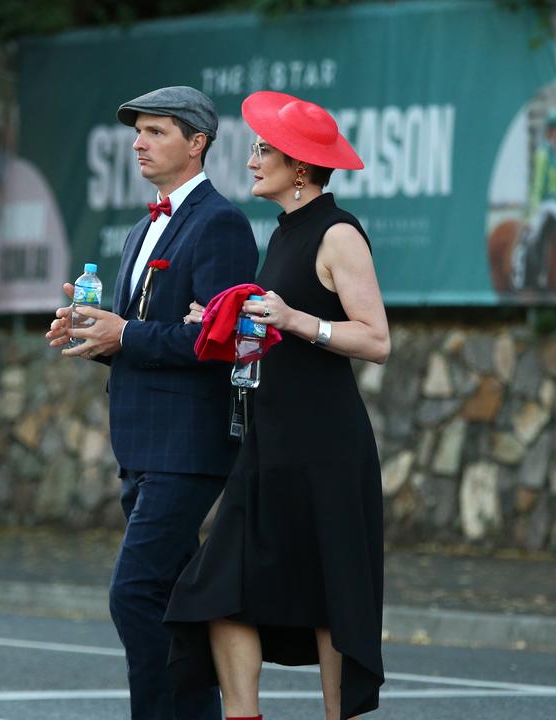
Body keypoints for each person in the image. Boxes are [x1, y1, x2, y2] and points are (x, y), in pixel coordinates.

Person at [166, 91, 391, 720]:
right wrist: (227, 320)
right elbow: (278, 330)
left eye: (266, 149)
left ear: (301, 168)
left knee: (331, 600)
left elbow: (376, 339)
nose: (254, 158)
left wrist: (298, 321)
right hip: (270, 445)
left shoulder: (338, 231)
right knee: (218, 588)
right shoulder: (287, 231)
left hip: (325, 447)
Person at [46, 86, 259, 720]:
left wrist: (126, 333)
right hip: (142, 440)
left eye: (157, 131)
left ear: (197, 144)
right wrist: (96, 334)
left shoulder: (220, 223)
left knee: (134, 594)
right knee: (173, 600)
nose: (139, 142)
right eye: (138, 131)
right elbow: (143, 327)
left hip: (187, 443)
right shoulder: (144, 224)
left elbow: (219, 341)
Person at [514, 110, 556, 291]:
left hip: (554, 203)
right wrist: (534, 210)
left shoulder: (555, 155)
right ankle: (521, 273)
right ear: (550, 132)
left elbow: (555, 185)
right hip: (543, 204)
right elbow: (538, 183)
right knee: (531, 237)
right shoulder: (543, 153)